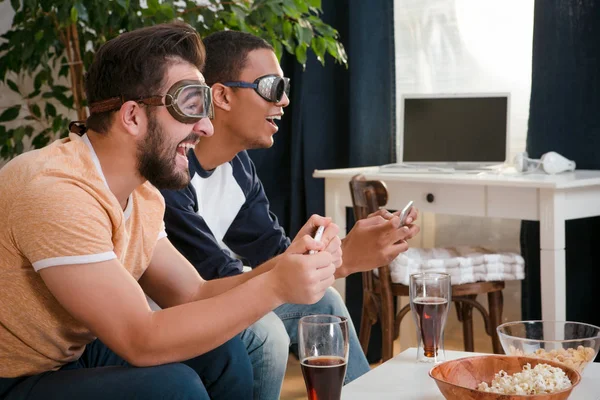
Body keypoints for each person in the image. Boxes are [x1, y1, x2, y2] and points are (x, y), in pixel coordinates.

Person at [0, 23, 342, 400]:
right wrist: (276, 287)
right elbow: (139, 340)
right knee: (175, 388)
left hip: (69, 357)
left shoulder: (144, 195)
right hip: (13, 375)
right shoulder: (55, 191)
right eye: (191, 107)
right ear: (132, 116)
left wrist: (283, 267)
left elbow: (194, 293)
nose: (207, 127)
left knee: (225, 352)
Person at [161, 30, 420, 400]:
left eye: (284, 86)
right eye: (271, 86)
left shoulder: (239, 169)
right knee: (267, 330)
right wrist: (342, 257)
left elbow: (273, 254)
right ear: (221, 96)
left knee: (322, 299)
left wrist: (337, 252)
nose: (283, 100)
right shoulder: (172, 174)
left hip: (218, 295)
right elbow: (217, 285)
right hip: (178, 313)